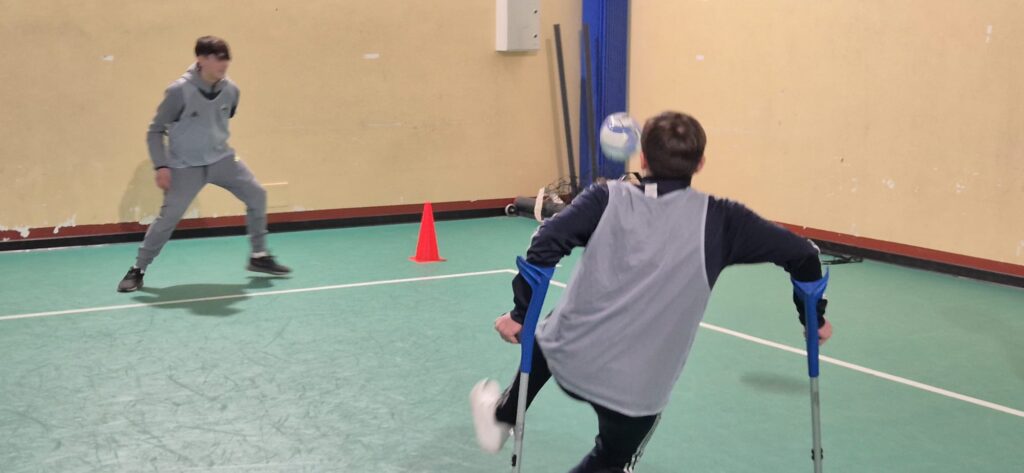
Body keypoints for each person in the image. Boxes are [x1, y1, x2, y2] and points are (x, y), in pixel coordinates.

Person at [470, 111, 832, 472]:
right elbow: (804, 255)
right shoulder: (724, 220)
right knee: (610, 457)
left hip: (569, 358)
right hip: (637, 393)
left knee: (555, 322)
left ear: (643, 158)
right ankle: (576, 445)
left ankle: (502, 417)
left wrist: (520, 314)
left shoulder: (605, 198)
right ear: (700, 163)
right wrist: (813, 318)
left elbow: (546, 241)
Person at [118, 36, 290, 293]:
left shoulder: (232, 90)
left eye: (226, 58)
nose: (223, 64)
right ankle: (138, 269)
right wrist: (161, 166)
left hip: (222, 160)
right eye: (216, 58)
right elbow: (155, 131)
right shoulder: (178, 91)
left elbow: (222, 119)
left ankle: (259, 256)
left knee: (257, 194)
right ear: (201, 59)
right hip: (185, 166)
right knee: (168, 218)